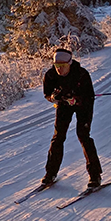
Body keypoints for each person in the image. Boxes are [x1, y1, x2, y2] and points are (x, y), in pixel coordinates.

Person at [42, 48, 102, 188]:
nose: (59, 69)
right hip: (63, 106)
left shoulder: (81, 74)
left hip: (83, 106)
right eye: (57, 66)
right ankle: (50, 173)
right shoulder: (50, 75)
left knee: (83, 135)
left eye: (63, 66)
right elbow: (47, 94)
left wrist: (77, 100)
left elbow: (90, 96)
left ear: (69, 63)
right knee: (58, 136)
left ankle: (95, 176)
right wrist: (53, 98)